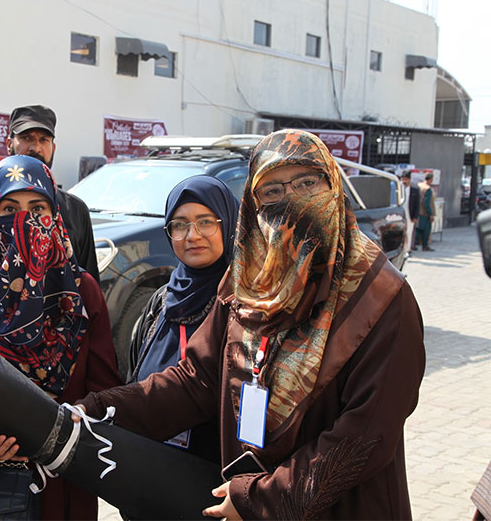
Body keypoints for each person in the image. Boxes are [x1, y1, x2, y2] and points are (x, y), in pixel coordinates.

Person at [78, 129, 426, 519]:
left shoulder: (380, 296)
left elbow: (366, 436)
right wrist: (97, 411)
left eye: (307, 182)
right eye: (272, 191)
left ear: (333, 185)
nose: (290, 200)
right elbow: (198, 379)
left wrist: (262, 498)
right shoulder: (248, 278)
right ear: (253, 203)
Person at [0, 154, 122, 519]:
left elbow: (103, 388)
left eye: (37, 206)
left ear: (55, 212)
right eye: (9, 208)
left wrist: (58, 429)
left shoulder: (80, 293)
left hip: (60, 476)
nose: (24, 219)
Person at [128, 175, 238, 463]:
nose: (192, 236)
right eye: (179, 225)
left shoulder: (243, 304)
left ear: (228, 224)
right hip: (151, 468)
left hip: (211, 475)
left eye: (205, 222)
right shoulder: (162, 301)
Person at [0, 105, 99, 282]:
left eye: (44, 140)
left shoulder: (75, 209)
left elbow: (88, 280)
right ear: (9, 144)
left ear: (53, 148)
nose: (35, 147)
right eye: (26, 138)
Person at [415, 171, 436, 251]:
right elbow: (427, 202)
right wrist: (431, 214)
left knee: (417, 229)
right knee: (426, 231)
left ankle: (414, 244)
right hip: (425, 213)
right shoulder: (428, 189)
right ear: (431, 179)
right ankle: (425, 246)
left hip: (418, 211)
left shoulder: (419, 185)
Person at [400, 170, 420, 252]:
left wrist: (415, 216)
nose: (404, 181)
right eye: (403, 179)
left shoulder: (414, 190)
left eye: (406, 179)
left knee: (409, 232)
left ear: (409, 179)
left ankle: (407, 250)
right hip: (400, 213)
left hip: (410, 214)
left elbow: (417, 204)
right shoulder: (398, 188)